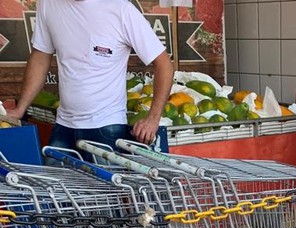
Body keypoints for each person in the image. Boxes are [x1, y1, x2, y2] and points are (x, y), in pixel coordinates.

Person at [7, 0, 174, 159]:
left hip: (106, 128)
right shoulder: (48, 4)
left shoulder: (122, 10)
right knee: (54, 187)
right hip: (64, 125)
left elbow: (164, 64)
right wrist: (20, 108)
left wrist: (153, 119)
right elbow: (40, 56)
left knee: (105, 189)